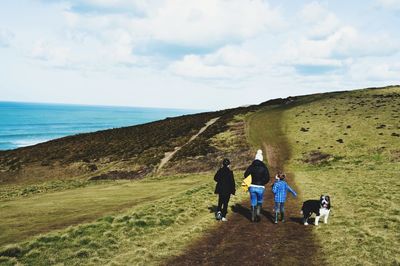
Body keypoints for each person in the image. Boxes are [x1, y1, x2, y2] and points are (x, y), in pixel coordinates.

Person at [244, 149, 270, 222]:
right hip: (260, 187)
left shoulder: (251, 166)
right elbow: (267, 177)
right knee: (260, 200)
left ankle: (252, 215)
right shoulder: (264, 167)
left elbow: (245, 175)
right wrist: (263, 182)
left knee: (253, 200)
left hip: (252, 186)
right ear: (261, 159)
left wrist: (250, 180)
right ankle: (258, 212)